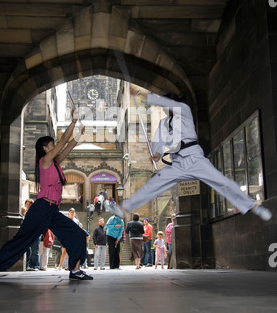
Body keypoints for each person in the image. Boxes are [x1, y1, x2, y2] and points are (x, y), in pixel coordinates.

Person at [116, 91, 272, 223]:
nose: (163, 109)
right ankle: (125, 208)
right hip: (177, 162)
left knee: (221, 182)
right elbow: (158, 144)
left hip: (194, 158)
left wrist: (145, 95)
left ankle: (253, 206)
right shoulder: (163, 124)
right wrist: (157, 155)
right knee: (154, 184)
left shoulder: (184, 110)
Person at [0, 109, 93, 282]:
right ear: (45, 148)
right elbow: (63, 141)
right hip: (41, 208)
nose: (55, 146)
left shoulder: (55, 163)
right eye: (52, 145)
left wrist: (80, 133)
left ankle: (75, 270)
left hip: (53, 211)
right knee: (22, 238)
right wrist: (73, 122)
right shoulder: (45, 161)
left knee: (78, 234)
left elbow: (69, 146)